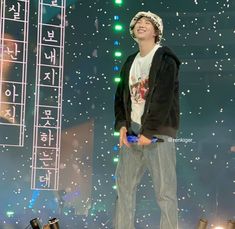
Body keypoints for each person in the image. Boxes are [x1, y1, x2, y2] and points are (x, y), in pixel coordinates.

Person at [114, 11, 181, 229]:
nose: (141, 25)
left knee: (165, 192)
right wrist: (122, 125)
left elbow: (163, 97)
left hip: (158, 131)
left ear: (156, 31)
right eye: (137, 23)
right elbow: (121, 95)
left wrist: (148, 131)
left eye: (147, 23)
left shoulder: (165, 59)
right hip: (132, 130)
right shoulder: (130, 61)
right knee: (124, 188)